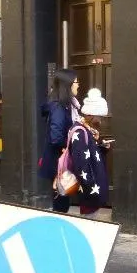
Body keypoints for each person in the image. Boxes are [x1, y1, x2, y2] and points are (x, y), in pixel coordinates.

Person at [38, 69, 80, 213]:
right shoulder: (59, 108)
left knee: (63, 197)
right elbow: (56, 137)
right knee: (61, 200)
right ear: (67, 85)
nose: (78, 85)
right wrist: (68, 146)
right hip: (59, 162)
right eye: (76, 82)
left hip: (60, 162)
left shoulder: (67, 106)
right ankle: (59, 227)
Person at [68, 88, 111, 219]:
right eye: (100, 117)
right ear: (92, 115)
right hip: (90, 192)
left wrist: (102, 148)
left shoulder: (88, 131)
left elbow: (89, 154)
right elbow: (81, 164)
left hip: (92, 191)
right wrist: (91, 187)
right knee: (89, 219)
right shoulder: (80, 133)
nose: (101, 121)